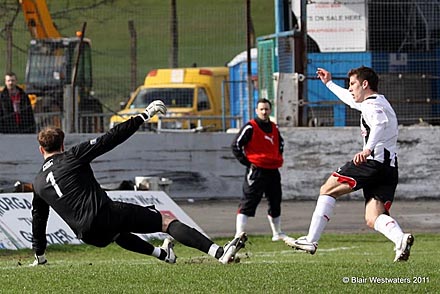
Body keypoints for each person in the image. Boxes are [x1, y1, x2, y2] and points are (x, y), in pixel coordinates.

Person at [31, 100, 247, 266]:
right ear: (63, 144)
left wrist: (39, 256)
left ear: (41, 150)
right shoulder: (72, 156)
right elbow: (110, 138)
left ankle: (164, 255)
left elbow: (38, 220)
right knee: (165, 222)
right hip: (103, 214)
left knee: (117, 234)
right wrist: (144, 115)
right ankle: (219, 253)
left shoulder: (38, 182)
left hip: (87, 235)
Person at [284, 66, 414, 262]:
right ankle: (401, 240)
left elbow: (379, 123)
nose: (351, 88)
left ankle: (311, 240)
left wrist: (368, 149)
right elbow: (350, 99)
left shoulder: (372, 106)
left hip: (372, 163)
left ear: (365, 84)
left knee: (328, 189)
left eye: (353, 84)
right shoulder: (378, 101)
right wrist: (329, 84)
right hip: (389, 168)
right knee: (373, 217)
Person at [231, 98, 287, 242]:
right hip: (257, 171)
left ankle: (277, 233)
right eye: (261, 109)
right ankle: (239, 234)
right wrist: (248, 162)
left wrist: (277, 157)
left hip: (273, 170)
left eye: (266, 109)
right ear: (257, 111)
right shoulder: (251, 127)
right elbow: (236, 145)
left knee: (275, 201)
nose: (264, 112)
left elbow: (280, 143)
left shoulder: (274, 127)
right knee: (249, 200)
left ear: (270, 110)